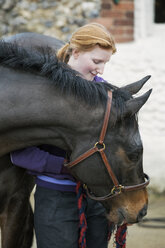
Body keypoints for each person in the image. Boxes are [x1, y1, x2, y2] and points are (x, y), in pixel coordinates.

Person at [10, 23, 116, 248]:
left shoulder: (105, 93)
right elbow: (20, 154)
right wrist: (68, 166)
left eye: (105, 63)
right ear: (75, 52)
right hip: (55, 201)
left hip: (97, 200)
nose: (101, 70)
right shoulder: (42, 93)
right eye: (97, 62)